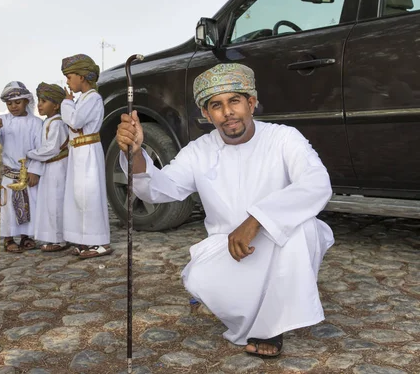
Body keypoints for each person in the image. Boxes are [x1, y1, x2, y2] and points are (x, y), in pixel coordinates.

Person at [115, 63, 334, 357]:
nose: (227, 112)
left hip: (279, 242)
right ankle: (251, 303)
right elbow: (157, 188)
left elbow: (317, 183)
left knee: (306, 229)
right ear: (207, 115)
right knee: (198, 278)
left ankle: (270, 328)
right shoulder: (199, 150)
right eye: (216, 105)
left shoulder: (284, 138)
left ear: (251, 103)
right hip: (227, 248)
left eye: (235, 101)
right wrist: (135, 154)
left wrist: (257, 220)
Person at [60, 53, 112, 259]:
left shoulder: (93, 98)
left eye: (69, 76)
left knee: (90, 196)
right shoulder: (83, 99)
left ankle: (100, 242)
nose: (67, 81)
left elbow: (75, 120)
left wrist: (66, 102)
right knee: (79, 196)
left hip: (88, 152)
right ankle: (84, 239)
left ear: (81, 77)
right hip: (78, 152)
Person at [0, 81, 43, 253]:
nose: (13, 106)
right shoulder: (3, 121)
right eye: (9, 103)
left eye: (17, 102)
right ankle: (9, 239)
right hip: (10, 174)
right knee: (8, 208)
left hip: (28, 172)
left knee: (29, 205)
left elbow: (40, 150)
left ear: (26, 101)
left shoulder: (36, 123)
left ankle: (27, 237)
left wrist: (35, 171)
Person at [26, 82, 70, 252]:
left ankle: (59, 239)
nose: (39, 105)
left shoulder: (57, 123)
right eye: (39, 101)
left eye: (44, 101)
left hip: (57, 168)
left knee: (56, 203)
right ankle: (53, 237)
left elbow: (51, 149)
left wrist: (30, 153)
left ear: (56, 105)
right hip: (50, 169)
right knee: (50, 203)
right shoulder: (48, 122)